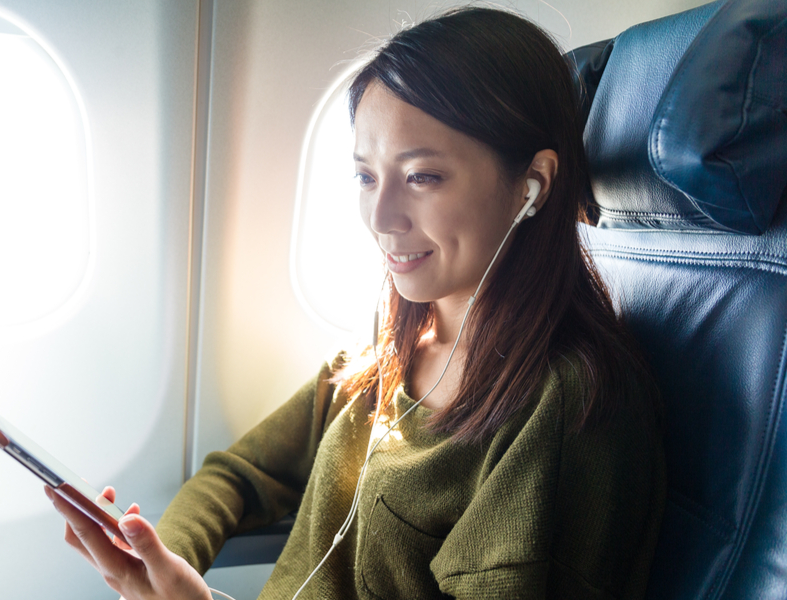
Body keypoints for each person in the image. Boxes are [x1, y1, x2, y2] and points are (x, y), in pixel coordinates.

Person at [46, 6, 666, 599]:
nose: (380, 216)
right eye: (366, 176)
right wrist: (158, 557)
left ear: (533, 185)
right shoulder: (386, 355)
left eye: (422, 176)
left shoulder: (564, 412)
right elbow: (239, 475)